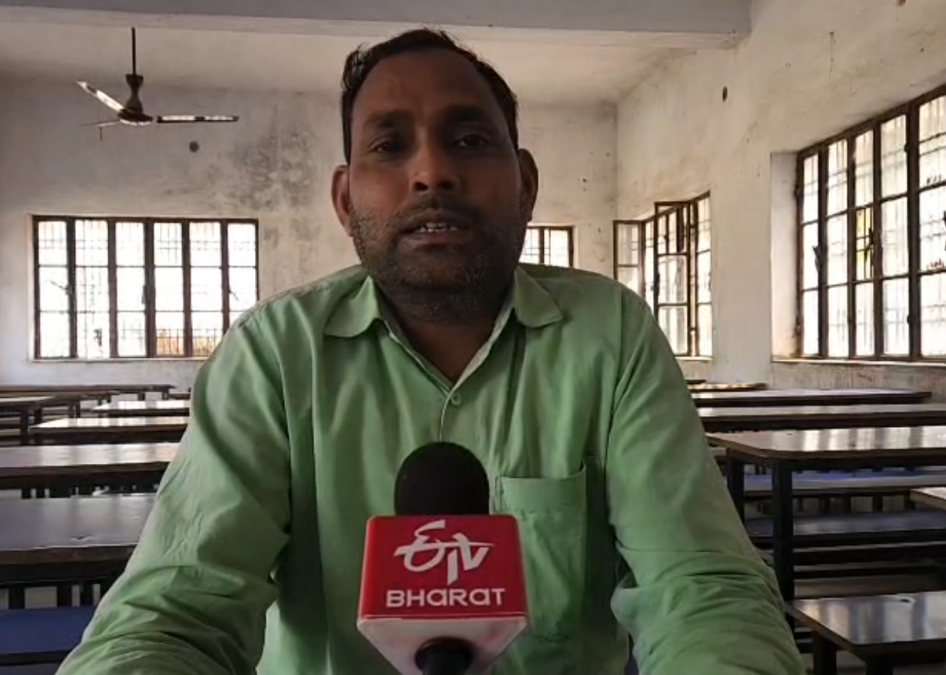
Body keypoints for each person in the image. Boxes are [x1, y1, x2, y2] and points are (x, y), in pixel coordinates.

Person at [57, 28, 804, 675]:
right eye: (389, 145)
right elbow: (174, 609)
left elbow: (701, 587)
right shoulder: (275, 354)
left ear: (526, 182)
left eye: (469, 139)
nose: (431, 172)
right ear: (346, 201)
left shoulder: (608, 335)